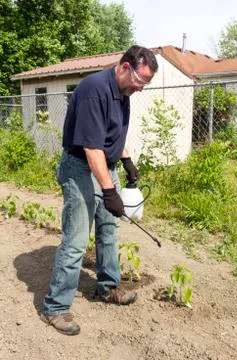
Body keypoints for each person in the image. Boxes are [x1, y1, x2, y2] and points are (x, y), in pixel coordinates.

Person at [41, 45, 158, 336]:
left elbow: (113, 136)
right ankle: (55, 307)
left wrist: (127, 160)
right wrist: (109, 192)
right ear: (124, 67)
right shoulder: (94, 89)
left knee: (108, 230)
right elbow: (91, 147)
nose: (141, 88)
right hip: (80, 166)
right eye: (140, 81)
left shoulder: (123, 94)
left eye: (146, 84)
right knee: (76, 239)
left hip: (106, 166)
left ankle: (107, 287)